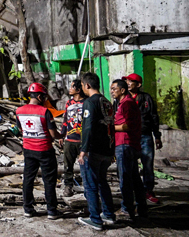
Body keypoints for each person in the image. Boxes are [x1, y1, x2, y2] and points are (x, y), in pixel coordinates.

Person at [16, 82, 63, 219]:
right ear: (40, 97)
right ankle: (52, 211)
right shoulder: (45, 112)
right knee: (49, 180)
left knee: (28, 179)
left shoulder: (19, 111)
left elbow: (20, 130)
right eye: (45, 97)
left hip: (28, 150)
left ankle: (28, 209)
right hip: (45, 150)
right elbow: (53, 134)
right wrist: (62, 135)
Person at [77, 72, 116, 231]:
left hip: (94, 151)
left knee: (90, 185)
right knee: (102, 182)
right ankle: (108, 214)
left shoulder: (90, 102)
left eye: (82, 85)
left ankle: (95, 219)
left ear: (86, 85)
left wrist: (83, 150)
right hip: (107, 150)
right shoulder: (107, 101)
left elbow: (87, 127)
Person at [111, 79, 148, 219]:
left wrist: (109, 128)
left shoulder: (127, 104)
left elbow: (127, 125)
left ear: (122, 90)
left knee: (125, 178)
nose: (112, 91)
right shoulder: (123, 104)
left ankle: (127, 209)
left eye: (114, 89)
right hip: (128, 145)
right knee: (134, 178)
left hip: (125, 145)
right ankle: (141, 207)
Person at [123, 73, 162, 204]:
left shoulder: (146, 98)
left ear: (138, 85)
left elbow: (154, 117)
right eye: (127, 81)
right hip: (129, 137)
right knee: (130, 166)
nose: (128, 83)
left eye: (131, 81)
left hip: (145, 136)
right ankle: (133, 191)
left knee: (148, 165)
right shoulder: (123, 98)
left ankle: (148, 191)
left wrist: (157, 136)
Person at [60, 79, 86, 197]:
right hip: (70, 139)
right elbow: (65, 120)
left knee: (85, 165)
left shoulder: (87, 103)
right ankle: (68, 186)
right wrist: (62, 134)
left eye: (72, 87)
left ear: (78, 89)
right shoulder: (69, 103)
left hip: (82, 140)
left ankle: (87, 186)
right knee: (68, 165)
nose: (70, 89)